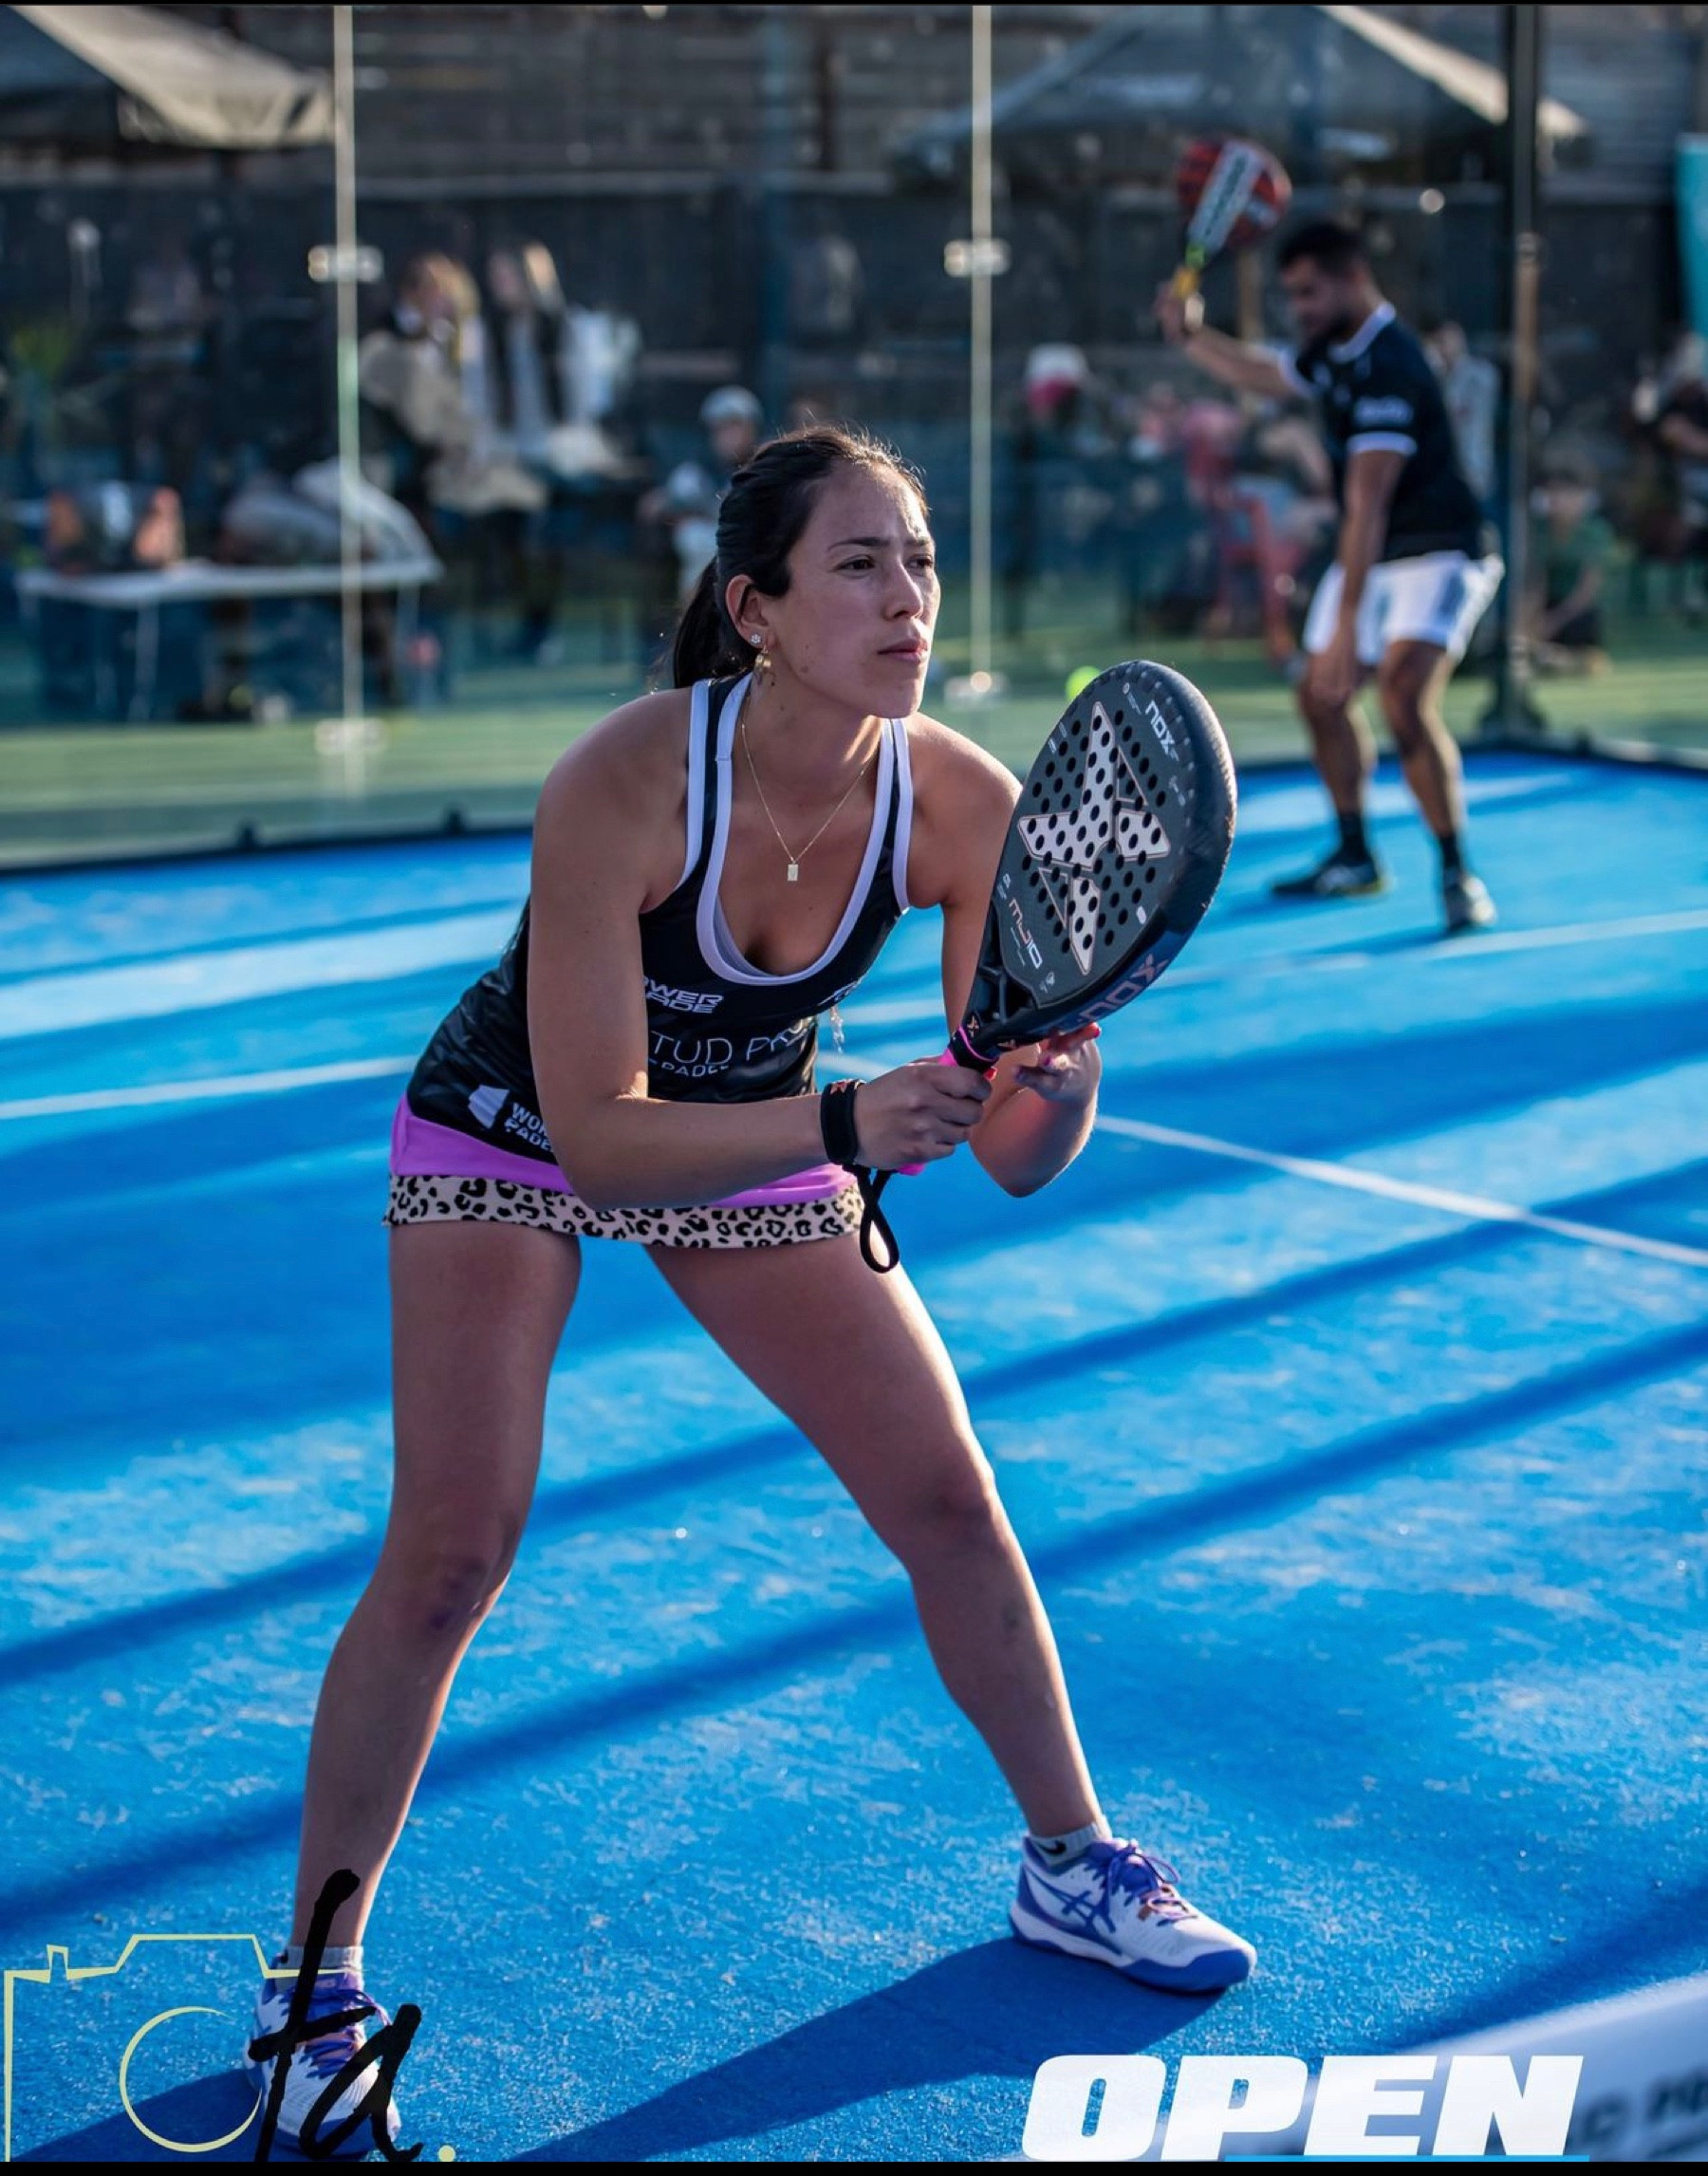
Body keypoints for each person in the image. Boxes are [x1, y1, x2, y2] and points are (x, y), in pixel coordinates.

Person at [246, 426, 1255, 2154]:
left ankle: (1073, 1864)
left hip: (758, 1130)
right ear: (757, 608)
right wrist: (852, 1121)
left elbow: (1018, 1154)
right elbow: (603, 1141)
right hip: (518, 1124)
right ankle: (313, 1991)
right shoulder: (626, 779)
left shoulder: (961, 804)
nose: (908, 596)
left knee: (950, 1497)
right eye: (860, 562)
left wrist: (1061, 1076)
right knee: (454, 1550)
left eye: (919, 559)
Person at [1158, 220, 1503, 934]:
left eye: (1310, 293)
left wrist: (1347, 626)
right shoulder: (1333, 350)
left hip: (1441, 551)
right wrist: (1191, 336)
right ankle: (1355, 854)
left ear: (1354, 278)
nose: (1300, 308)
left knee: (1404, 696)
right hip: (1374, 552)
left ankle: (1456, 872)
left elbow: (1368, 505)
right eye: (1292, 294)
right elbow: (1263, 371)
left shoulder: (1392, 364)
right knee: (1320, 697)